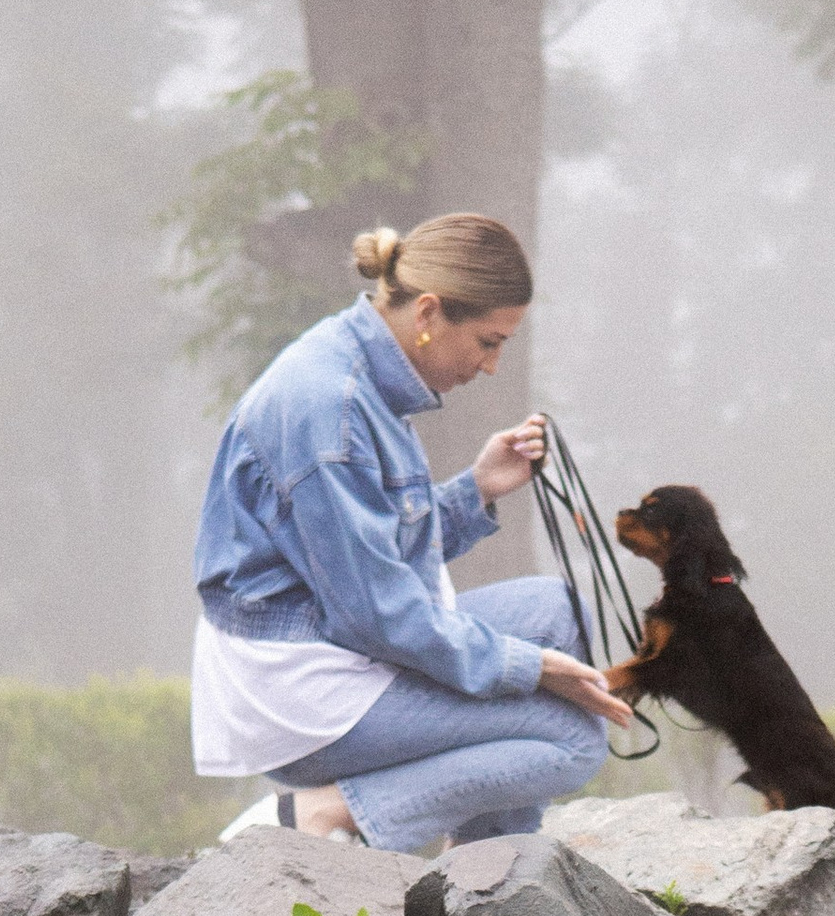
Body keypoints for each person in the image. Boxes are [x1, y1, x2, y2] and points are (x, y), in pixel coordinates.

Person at [191, 210, 628, 849]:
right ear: (427, 315)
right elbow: (375, 613)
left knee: (560, 610)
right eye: (488, 340)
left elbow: (368, 559)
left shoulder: (358, 369)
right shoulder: (329, 409)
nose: (493, 366)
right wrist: (525, 667)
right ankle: (320, 814)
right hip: (304, 693)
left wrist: (475, 491)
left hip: (340, 644)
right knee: (568, 739)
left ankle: (486, 886)